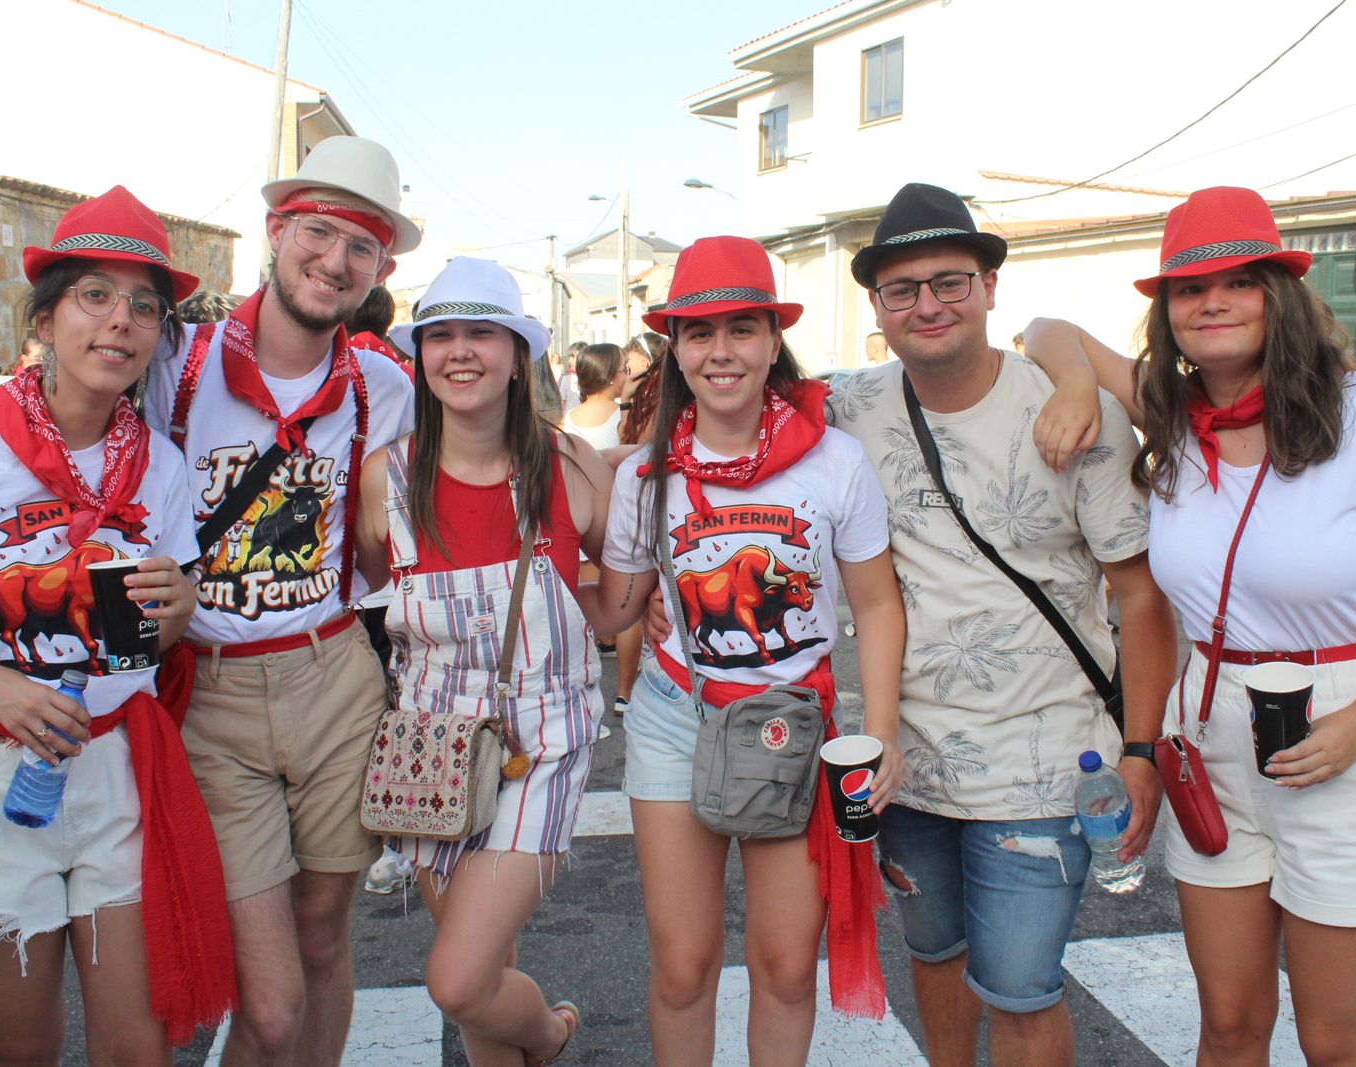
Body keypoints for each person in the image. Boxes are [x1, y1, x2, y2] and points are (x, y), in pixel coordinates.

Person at [1023, 185, 1356, 1066]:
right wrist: (1079, 379)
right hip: (1215, 723)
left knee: (1336, 1040)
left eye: (1239, 281)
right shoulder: (1177, 420)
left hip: (1351, 718)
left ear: (1281, 295)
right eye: (1189, 290)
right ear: (1170, 313)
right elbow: (1047, 330)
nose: (1212, 302)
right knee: (1228, 1025)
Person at [828, 183, 1177, 1066]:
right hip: (903, 765)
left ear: (989, 286)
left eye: (949, 280)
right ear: (877, 307)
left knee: (1022, 987)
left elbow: (1140, 596)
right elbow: (719, 408)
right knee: (935, 958)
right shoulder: (845, 409)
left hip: (1044, 762)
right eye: (901, 289)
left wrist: (1142, 751)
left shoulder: (1077, 415)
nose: (928, 304)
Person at [0, 186, 235, 1063]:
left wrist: (181, 607)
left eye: (144, 306)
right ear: (45, 320)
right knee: (22, 1053)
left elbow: (150, 633)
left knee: (137, 1050)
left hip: (118, 772)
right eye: (94, 295)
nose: (119, 322)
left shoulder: (160, 464)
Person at [590, 235, 906, 1065]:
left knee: (785, 965)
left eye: (741, 329)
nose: (720, 351)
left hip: (793, 727)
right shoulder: (643, 478)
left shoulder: (834, 461)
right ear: (676, 348)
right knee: (686, 965)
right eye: (699, 333)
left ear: (773, 340)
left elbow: (876, 605)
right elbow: (616, 608)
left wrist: (882, 736)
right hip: (673, 717)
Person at [140, 135, 419, 1067]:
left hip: (336, 677)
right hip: (211, 694)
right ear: (276, 229)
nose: (334, 261)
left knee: (324, 935)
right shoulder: (175, 363)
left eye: (362, 248)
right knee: (266, 1001)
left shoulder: (384, 385)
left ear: (381, 268)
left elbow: (472, 482)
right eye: (318, 231)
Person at [357, 256, 612, 1065]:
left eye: (482, 334)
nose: (460, 352)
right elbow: (370, 588)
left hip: (544, 742)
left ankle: (550, 1034)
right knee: (482, 963)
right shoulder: (384, 478)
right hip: (432, 745)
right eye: (442, 336)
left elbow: (622, 590)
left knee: (460, 979)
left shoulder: (574, 466)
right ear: (421, 351)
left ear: (516, 353)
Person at [561, 342, 626, 449]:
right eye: (624, 369)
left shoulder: (567, 419)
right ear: (609, 376)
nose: (627, 375)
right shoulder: (623, 416)